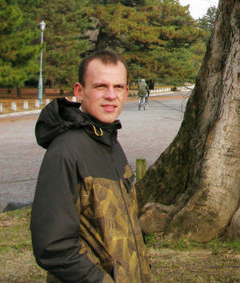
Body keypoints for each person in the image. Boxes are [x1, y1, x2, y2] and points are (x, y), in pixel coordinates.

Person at [30, 50, 150, 282]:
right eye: (100, 86)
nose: (110, 95)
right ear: (79, 91)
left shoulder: (111, 143)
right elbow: (53, 247)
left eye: (118, 87)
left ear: (126, 92)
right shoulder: (65, 152)